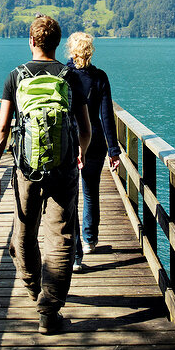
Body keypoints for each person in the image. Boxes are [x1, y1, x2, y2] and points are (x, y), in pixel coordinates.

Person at [0, 15, 91, 334]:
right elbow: (86, 130)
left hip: (26, 169)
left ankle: (36, 294)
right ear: (58, 44)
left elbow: (3, 128)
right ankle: (49, 310)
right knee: (61, 238)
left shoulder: (16, 76)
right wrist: (80, 153)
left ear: (31, 41)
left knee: (24, 234)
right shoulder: (69, 77)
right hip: (64, 169)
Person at [65, 32, 121, 272]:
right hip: (96, 141)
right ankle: (90, 240)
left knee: (71, 197)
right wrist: (114, 149)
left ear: (71, 51)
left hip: (70, 141)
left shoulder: (64, 76)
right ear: (91, 50)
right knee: (90, 192)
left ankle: (76, 251)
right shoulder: (100, 77)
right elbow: (106, 115)